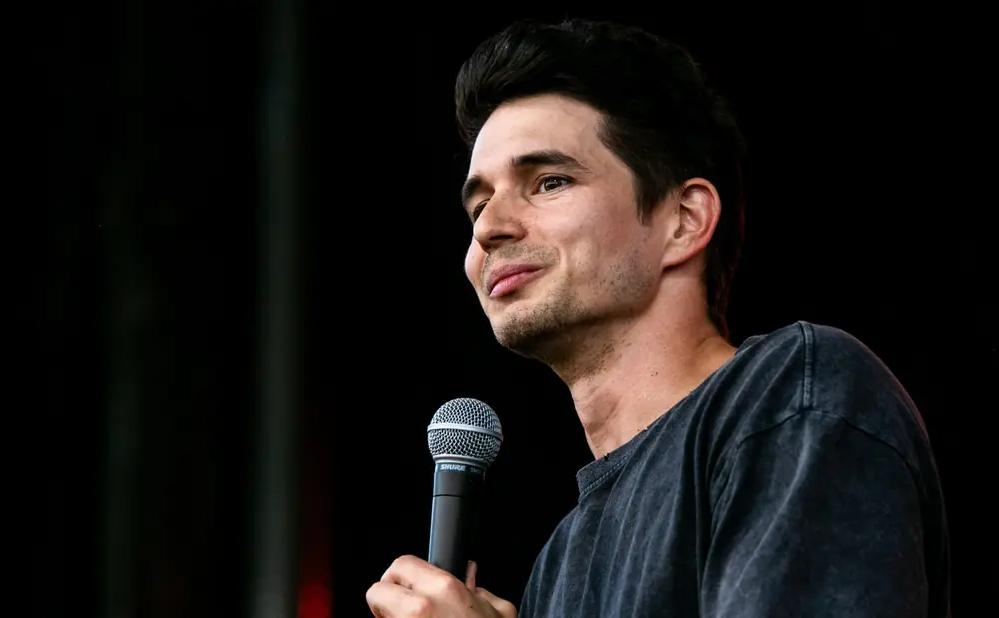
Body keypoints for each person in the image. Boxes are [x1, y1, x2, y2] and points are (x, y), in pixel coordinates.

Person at [366, 17, 951, 618]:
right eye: (479, 204)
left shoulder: (790, 395)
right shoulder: (562, 557)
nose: (489, 228)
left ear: (685, 220)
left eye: (549, 182)